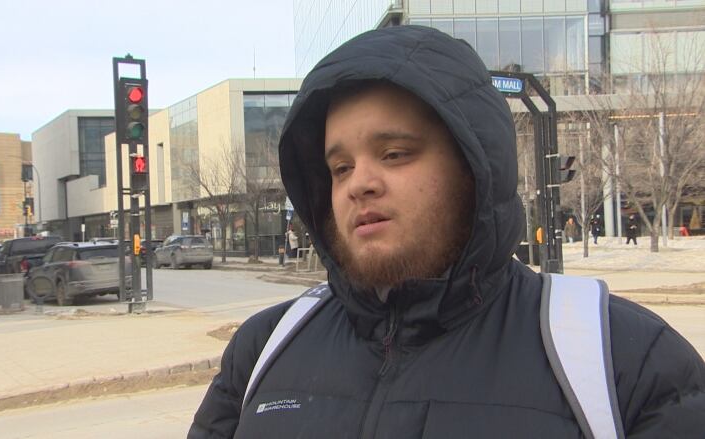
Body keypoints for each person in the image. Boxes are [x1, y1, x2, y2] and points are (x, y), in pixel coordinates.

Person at [189, 26, 704, 438]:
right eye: (340, 167)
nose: (358, 184)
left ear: (474, 168)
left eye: (394, 154)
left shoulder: (624, 360)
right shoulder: (262, 349)